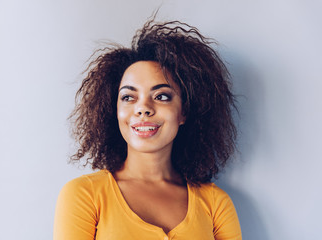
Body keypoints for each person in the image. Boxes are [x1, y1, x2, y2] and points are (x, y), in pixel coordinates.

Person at [54, 17, 242, 240]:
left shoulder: (215, 202)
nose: (142, 108)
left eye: (161, 96)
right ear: (113, 111)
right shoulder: (84, 195)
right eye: (128, 97)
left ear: (183, 112)